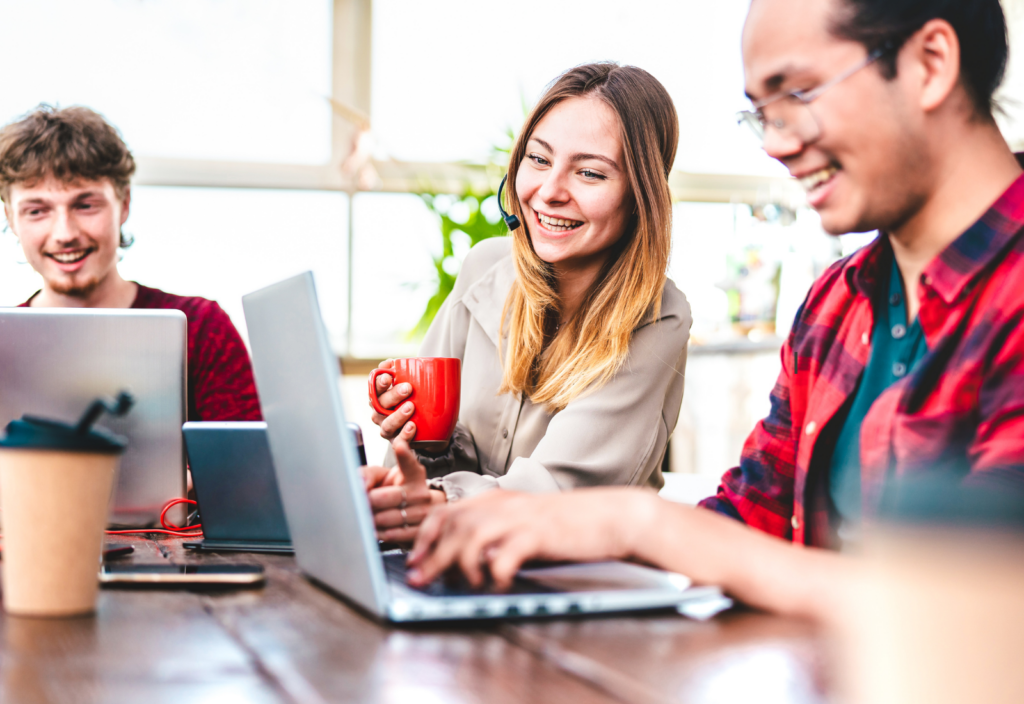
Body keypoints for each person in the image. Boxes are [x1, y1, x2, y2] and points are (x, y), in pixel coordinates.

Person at [403, 0, 1024, 619]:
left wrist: (637, 522)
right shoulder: (834, 309)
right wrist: (580, 527)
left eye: (800, 94)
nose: (777, 145)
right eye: (762, 115)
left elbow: (979, 606)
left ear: (930, 64)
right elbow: (750, 520)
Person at [362, 63, 692, 544]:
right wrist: (418, 439)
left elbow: (558, 494)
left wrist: (435, 502)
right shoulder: (484, 270)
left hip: (577, 585)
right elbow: (410, 472)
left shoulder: (658, 316)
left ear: (640, 197)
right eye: (538, 160)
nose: (550, 192)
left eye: (590, 173)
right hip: (453, 563)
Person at [0, 105, 261, 422]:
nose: (64, 234)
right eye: (37, 211)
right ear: (11, 218)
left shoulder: (201, 329)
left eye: (85, 205)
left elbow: (247, 469)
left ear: (124, 205)